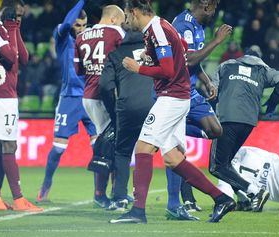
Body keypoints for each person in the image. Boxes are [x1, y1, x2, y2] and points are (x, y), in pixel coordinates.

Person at [110, 0, 235, 224]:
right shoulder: (161, 26)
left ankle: (138, 212)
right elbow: (183, 51)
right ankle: (221, 198)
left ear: (136, 12)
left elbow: (167, 70)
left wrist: (138, 68)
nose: (126, 20)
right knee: (173, 158)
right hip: (179, 96)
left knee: (143, 148)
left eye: (127, 15)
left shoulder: (157, 30)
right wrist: (150, 59)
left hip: (171, 97)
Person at [168, 0, 232, 218]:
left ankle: (171, 129)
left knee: (215, 130)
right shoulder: (183, 25)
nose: (214, 13)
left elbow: (195, 59)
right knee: (175, 150)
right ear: (206, 7)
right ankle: (174, 203)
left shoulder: (197, 26)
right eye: (213, 9)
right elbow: (187, 60)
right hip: (175, 90)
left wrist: (205, 79)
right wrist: (217, 41)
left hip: (191, 91)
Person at [209, 45, 279, 212]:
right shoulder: (263, 70)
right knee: (227, 164)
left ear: (243, 56)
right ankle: (243, 199)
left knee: (217, 167)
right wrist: (272, 104)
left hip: (227, 118)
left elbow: (211, 90)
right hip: (249, 122)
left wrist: (208, 111)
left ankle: (255, 192)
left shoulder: (227, 65)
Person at [36, 0, 97, 203]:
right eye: (77, 25)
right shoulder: (62, 37)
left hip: (90, 98)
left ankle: (100, 193)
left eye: (84, 25)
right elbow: (66, 22)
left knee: (100, 148)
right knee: (59, 148)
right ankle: (46, 185)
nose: (80, 29)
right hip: (69, 98)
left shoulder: (92, 41)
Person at [0, 5, 42, 211]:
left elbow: (23, 58)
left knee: (2, 147)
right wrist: (12, 28)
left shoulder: (10, 30)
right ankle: (18, 200)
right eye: (16, 16)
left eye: (21, 17)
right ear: (7, 13)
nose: (18, 21)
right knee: (8, 145)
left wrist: (15, 30)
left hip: (8, 96)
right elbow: (9, 57)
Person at [98, 7, 154, 211]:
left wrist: (114, 110)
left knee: (123, 152)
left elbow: (104, 86)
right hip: (155, 106)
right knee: (167, 152)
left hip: (128, 107)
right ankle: (178, 201)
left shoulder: (116, 53)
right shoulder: (154, 51)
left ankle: (120, 198)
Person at [75, 5, 125, 208]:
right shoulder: (116, 32)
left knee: (104, 142)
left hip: (88, 96)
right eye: (122, 21)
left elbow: (78, 70)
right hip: (107, 96)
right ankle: (106, 194)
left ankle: (110, 192)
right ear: (113, 19)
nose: (124, 25)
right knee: (112, 145)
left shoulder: (82, 36)